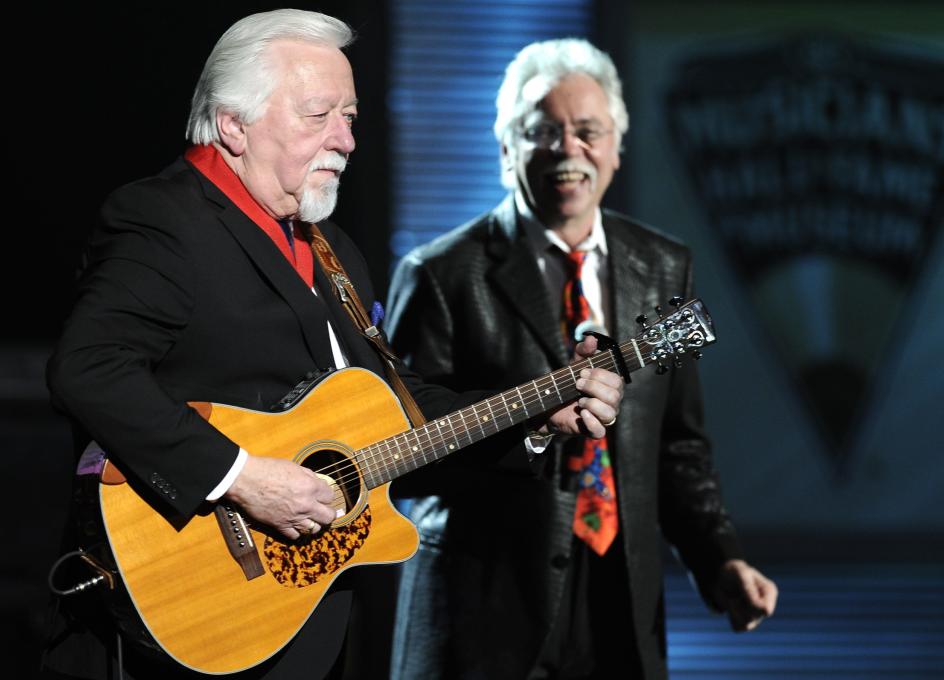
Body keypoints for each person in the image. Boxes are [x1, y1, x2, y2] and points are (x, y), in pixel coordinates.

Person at [40, 13, 622, 680]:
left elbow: (395, 416)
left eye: (349, 116)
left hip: (306, 624)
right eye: (319, 114)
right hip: (186, 620)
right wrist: (243, 478)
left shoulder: (332, 249)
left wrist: (539, 415)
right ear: (234, 124)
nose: (345, 139)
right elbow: (87, 369)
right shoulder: (164, 219)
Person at [385, 38, 779, 679]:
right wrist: (531, 430)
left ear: (617, 148)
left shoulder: (662, 265)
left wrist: (720, 560)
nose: (569, 150)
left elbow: (678, 447)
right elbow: (402, 455)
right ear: (507, 149)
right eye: (544, 132)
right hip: (481, 612)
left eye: (588, 131)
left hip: (619, 603)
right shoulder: (438, 274)